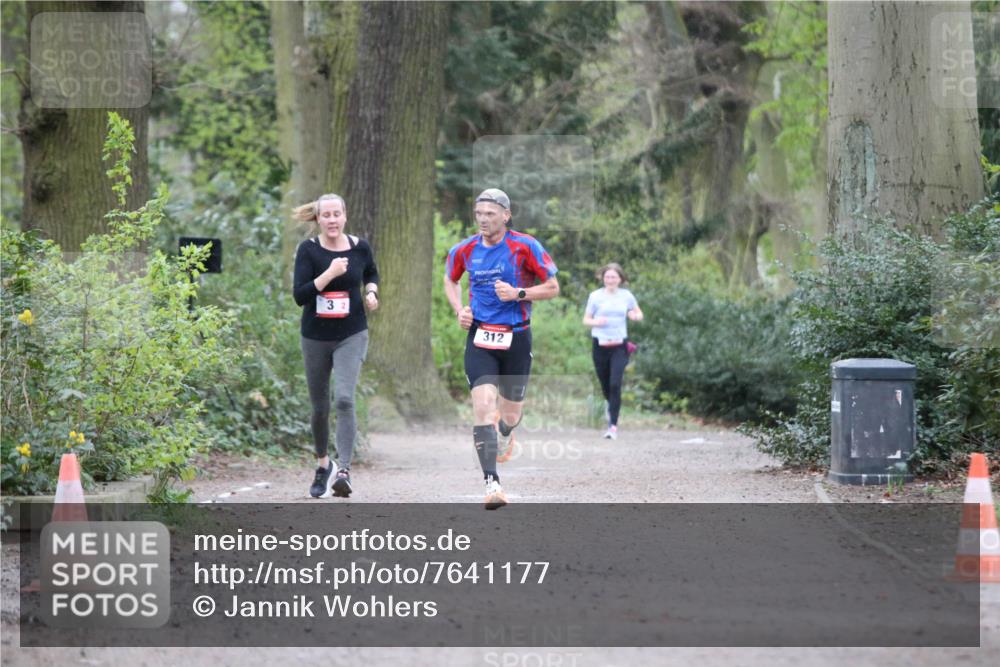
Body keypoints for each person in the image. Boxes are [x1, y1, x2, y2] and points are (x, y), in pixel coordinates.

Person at [444, 188, 559, 509]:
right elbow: (450, 279)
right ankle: (492, 483)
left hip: (516, 338)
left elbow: (552, 287)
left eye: (490, 214)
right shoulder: (464, 249)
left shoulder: (525, 246)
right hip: (480, 337)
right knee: (483, 405)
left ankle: (506, 431)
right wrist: (459, 310)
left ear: (506, 216)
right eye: (479, 214)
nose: (483, 219)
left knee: (510, 414)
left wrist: (519, 293)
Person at [292, 193, 379, 498]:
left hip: (351, 334)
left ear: (345, 216)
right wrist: (329, 274)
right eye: (326, 215)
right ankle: (322, 464)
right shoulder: (308, 250)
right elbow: (300, 295)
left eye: (336, 214)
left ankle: (344, 470)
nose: (332, 220)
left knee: (344, 398)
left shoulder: (359, 247)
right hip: (315, 336)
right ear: (318, 219)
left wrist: (372, 292)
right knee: (320, 408)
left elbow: (370, 271)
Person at [583, 262, 643, 439]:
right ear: (603, 278)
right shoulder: (595, 296)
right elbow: (586, 319)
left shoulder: (626, 296)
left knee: (615, 383)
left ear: (620, 279)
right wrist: (596, 322)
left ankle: (613, 426)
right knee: (605, 384)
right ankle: (611, 406)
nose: (610, 280)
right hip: (600, 345)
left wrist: (634, 316)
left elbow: (639, 314)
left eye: (614, 277)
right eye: (607, 277)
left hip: (619, 346)